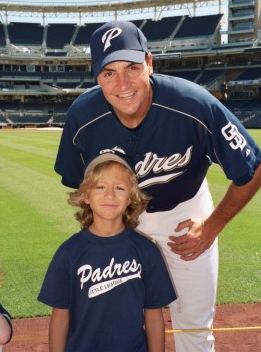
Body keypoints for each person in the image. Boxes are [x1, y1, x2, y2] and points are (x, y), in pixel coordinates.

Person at [54, 20, 261, 351]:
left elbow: (252, 167)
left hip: (185, 213)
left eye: (132, 67)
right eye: (108, 73)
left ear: (150, 63)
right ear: (97, 77)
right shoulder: (82, 116)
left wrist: (213, 225)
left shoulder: (193, 103)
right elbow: (81, 187)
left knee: (194, 325)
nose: (122, 83)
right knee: (120, 320)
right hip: (124, 222)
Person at [38, 150, 177, 352]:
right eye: (100, 187)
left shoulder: (146, 250)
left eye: (119, 188)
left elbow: (154, 316)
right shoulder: (69, 252)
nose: (110, 195)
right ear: (86, 196)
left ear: (130, 198)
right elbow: (60, 319)